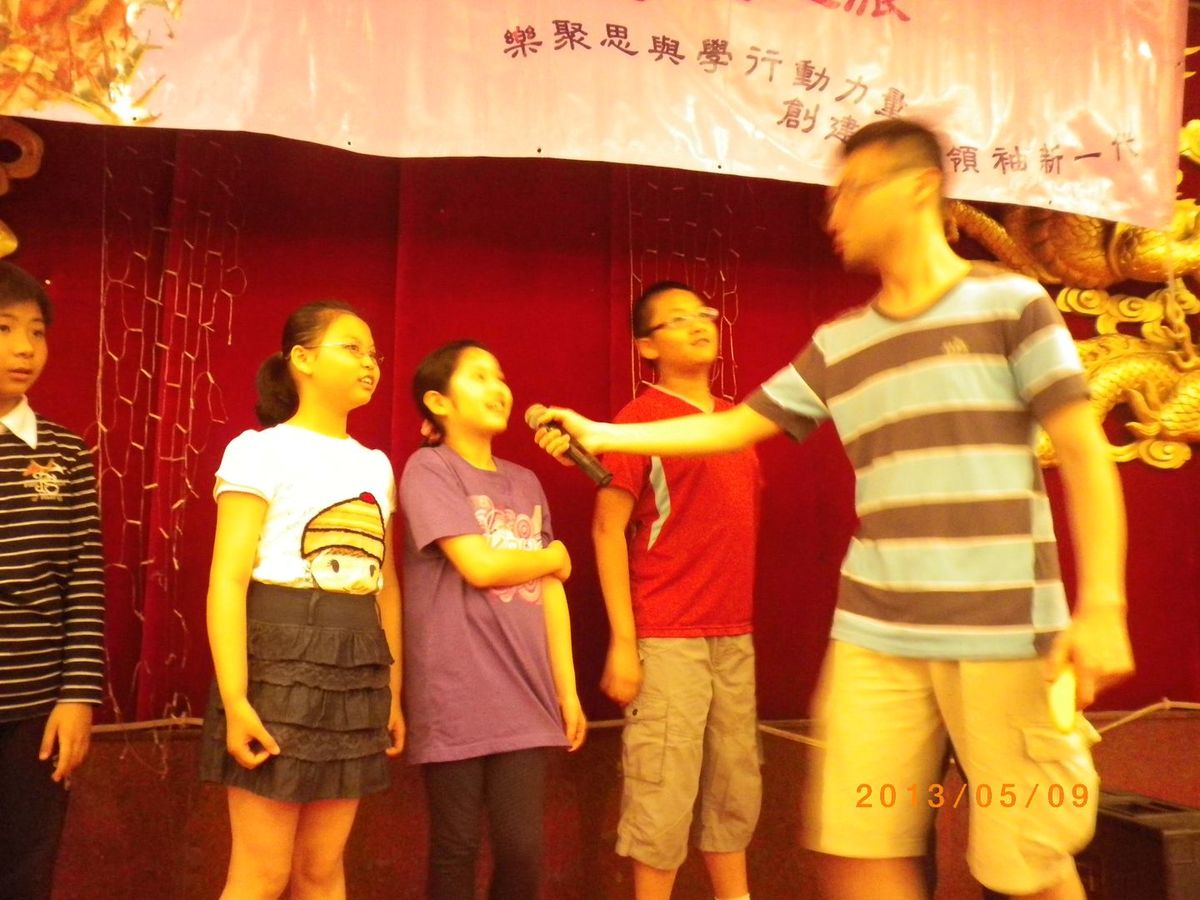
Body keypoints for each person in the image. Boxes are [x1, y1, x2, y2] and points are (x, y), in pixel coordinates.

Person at [537, 119, 1134, 900]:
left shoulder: (1010, 304)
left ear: (919, 188)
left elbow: (1084, 451)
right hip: (875, 629)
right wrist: (602, 431)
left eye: (852, 192)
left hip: (1004, 624)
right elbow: (735, 427)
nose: (835, 214)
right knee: (855, 845)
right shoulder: (840, 342)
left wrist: (1104, 605)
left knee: (1028, 865)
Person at [198, 301, 404, 899]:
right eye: (352, 348)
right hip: (277, 662)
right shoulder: (259, 450)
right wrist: (236, 698)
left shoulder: (375, 465)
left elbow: (386, 585)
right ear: (302, 359)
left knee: (321, 869)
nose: (369, 362)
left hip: (357, 667)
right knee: (261, 874)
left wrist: (392, 692)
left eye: (374, 353)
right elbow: (228, 580)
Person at [401, 339, 586, 900]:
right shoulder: (429, 468)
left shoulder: (525, 480)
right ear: (438, 401)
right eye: (478, 376)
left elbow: (551, 594)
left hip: (526, 693)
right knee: (456, 846)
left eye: (500, 376)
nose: (498, 387)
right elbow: (480, 566)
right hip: (455, 692)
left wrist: (566, 691)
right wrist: (554, 557)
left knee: (523, 849)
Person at [594, 281, 761, 900]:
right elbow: (606, 529)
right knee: (661, 791)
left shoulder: (736, 422)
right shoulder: (637, 423)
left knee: (735, 788)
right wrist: (624, 642)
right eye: (678, 319)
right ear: (646, 346)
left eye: (705, 315)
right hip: (667, 637)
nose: (698, 325)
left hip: (734, 635)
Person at [0, 262, 105, 900]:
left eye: (36, 332)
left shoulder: (65, 452)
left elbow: (84, 578)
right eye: (5, 329)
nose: (24, 348)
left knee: (24, 873)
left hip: (36, 705)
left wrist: (78, 696)